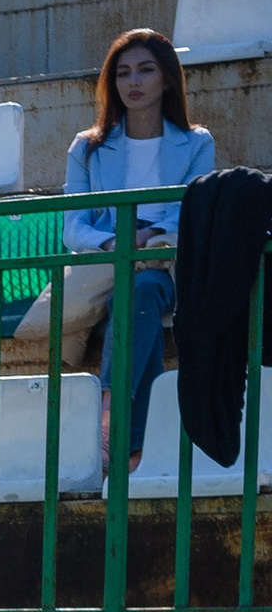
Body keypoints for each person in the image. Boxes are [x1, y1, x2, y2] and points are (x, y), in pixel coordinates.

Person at [62, 27, 216, 456]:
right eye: (123, 72)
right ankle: (133, 448)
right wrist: (115, 243)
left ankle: (111, 414)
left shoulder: (196, 143)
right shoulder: (87, 148)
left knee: (143, 287)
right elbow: (72, 227)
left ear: (167, 79)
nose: (133, 82)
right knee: (135, 292)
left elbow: (189, 214)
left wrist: (149, 237)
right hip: (111, 262)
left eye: (145, 70)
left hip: (164, 259)